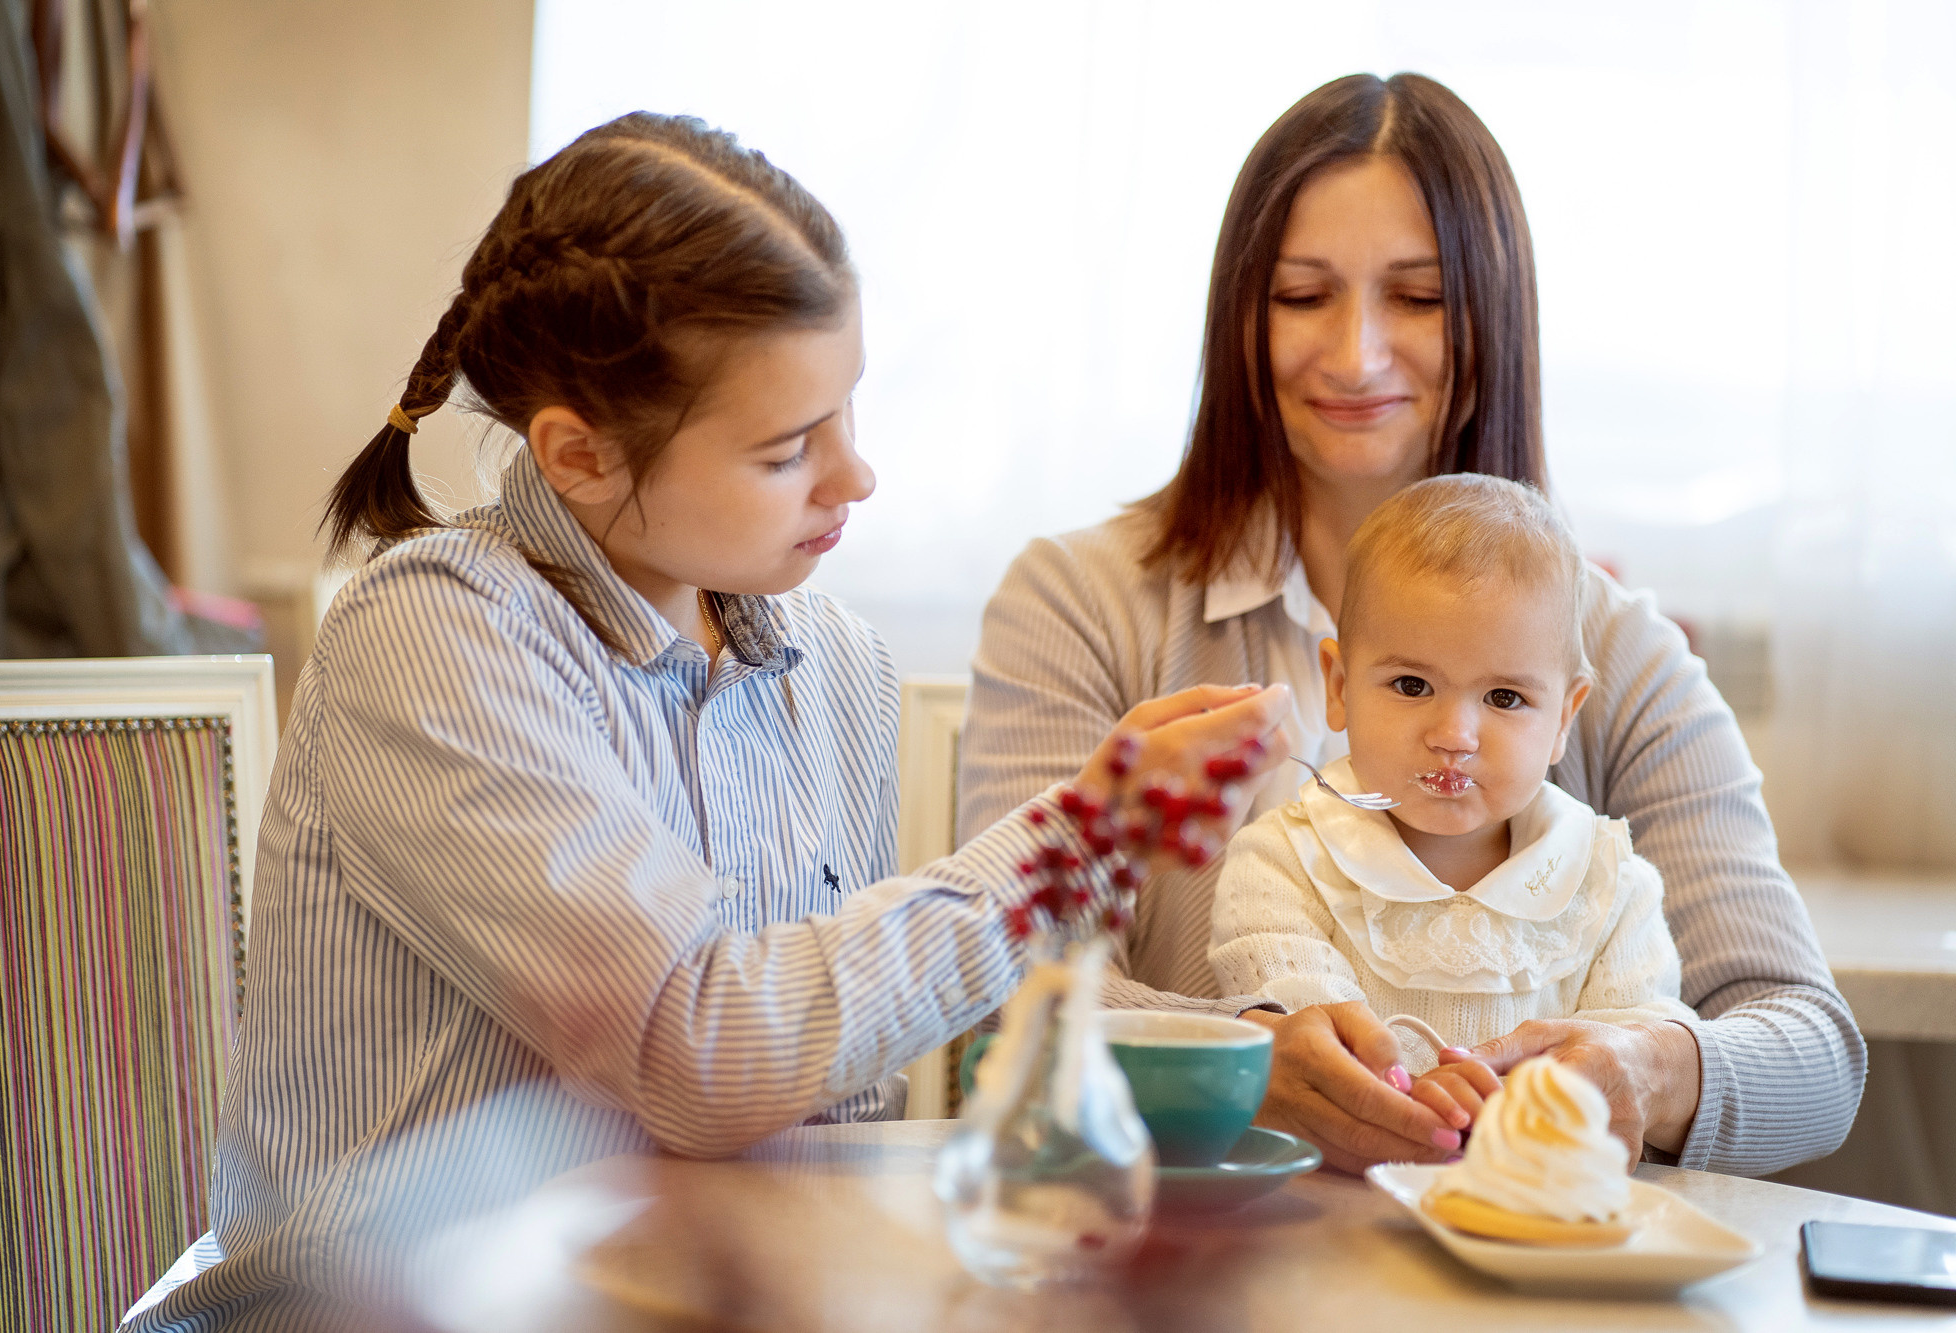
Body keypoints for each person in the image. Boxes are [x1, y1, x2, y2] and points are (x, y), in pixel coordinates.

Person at [122, 113, 1293, 1331]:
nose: (855, 476)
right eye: (788, 449)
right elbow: (701, 1057)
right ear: (577, 454)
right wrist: (1079, 836)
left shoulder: (830, 664)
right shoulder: (431, 636)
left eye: (847, 412)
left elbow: (826, 1092)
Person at [957, 72, 1863, 1176]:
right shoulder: (1080, 605)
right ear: (1240, 314)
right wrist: (1245, 1056)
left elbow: (1811, 1052)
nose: (1353, 355)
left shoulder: (1617, 650)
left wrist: (1647, 1068)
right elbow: (1001, 999)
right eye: (1300, 295)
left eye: (1417, 298)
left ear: (1490, 315)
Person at [1210, 474, 1697, 1139]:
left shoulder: (1611, 885)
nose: (1455, 736)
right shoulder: (1281, 862)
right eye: (1412, 684)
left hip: (1537, 1220)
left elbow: (1627, 1062)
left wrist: (1550, 1095)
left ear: (1564, 716)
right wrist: (1414, 1091)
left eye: (1504, 698)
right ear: (1340, 685)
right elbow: (1324, 1059)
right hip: (1337, 1216)